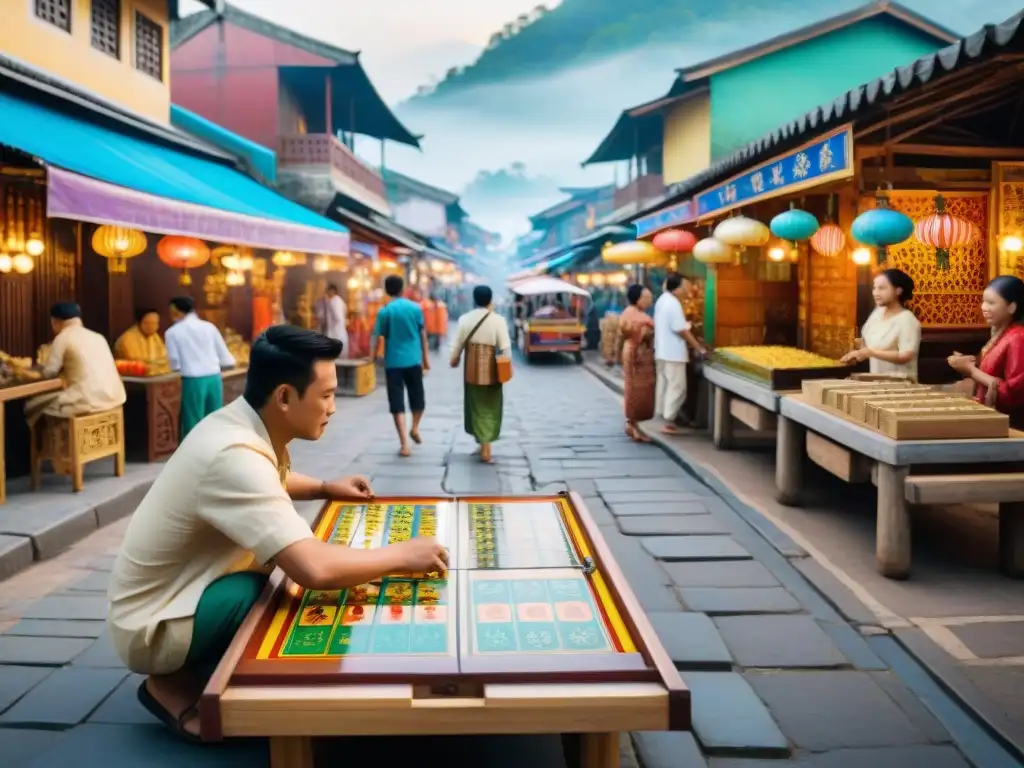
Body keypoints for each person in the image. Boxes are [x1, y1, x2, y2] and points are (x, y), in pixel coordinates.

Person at [108, 326, 448, 742]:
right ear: (285, 397)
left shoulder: (237, 424)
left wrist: (324, 487)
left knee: (276, 580)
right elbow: (315, 569)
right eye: (325, 395)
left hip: (170, 593)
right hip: (152, 623)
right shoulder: (232, 454)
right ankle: (170, 683)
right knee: (265, 591)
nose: (333, 407)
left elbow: (269, 478)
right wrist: (403, 555)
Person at [25, 302, 126, 428]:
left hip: (86, 401)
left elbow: (48, 373)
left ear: (55, 322)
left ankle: (52, 446)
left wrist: (28, 372)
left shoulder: (63, 338)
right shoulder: (99, 337)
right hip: (114, 398)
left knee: (32, 404)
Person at [948, 275, 1024, 427]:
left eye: (991, 303)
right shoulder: (1000, 334)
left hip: (1010, 425)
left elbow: (1014, 395)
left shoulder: (1018, 338)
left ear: (1012, 307)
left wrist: (971, 370)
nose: (983, 307)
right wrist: (970, 364)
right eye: (983, 301)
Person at [450, 285, 512, 463]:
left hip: (472, 368)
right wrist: (506, 367)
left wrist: (454, 359)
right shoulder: (498, 320)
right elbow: (505, 348)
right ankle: (486, 446)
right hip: (493, 369)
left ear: (474, 300)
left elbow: (458, 345)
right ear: (490, 301)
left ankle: (484, 445)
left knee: (475, 406)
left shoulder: (465, 319)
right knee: (491, 407)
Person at [370, 275, 430, 457]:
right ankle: (415, 427)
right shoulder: (415, 308)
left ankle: (404, 443)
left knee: (397, 402)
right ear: (403, 289)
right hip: (413, 360)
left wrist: (372, 357)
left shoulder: (385, 312)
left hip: (393, 362)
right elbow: (422, 335)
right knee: (417, 398)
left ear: (387, 291)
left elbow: (376, 337)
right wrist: (426, 358)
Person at [165, 296, 236, 438]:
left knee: (193, 418)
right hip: (214, 377)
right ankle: (215, 449)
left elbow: (175, 362)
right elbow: (224, 354)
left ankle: (194, 453)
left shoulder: (172, 332)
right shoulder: (209, 327)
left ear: (178, 311)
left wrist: (175, 368)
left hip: (193, 379)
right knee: (215, 416)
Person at [841, 269, 921, 379]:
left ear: (898, 291)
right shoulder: (877, 313)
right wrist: (857, 353)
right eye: (874, 288)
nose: (876, 293)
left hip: (901, 386)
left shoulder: (907, 319)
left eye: (882, 288)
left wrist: (870, 353)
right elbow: (867, 342)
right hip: (878, 382)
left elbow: (906, 356)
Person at [653, 273, 707, 434]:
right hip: (673, 352)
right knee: (677, 387)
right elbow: (681, 329)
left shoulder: (662, 300)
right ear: (676, 288)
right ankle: (669, 421)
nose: (687, 291)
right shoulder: (673, 304)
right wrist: (699, 347)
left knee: (665, 385)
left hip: (662, 351)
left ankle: (664, 416)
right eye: (685, 287)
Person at [619, 284, 656, 442]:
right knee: (636, 389)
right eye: (646, 298)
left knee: (637, 388)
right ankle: (631, 424)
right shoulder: (638, 316)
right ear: (637, 299)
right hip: (637, 354)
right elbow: (644, 333)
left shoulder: (631, 313)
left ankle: (633, 424)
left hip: (634, 352)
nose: (649, 301)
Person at [317, 283, 349, 359]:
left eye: (327, 291)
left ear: (332, 291)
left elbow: (338, 317)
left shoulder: (333, 301)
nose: (327, 293)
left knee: (335, 356)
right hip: (340, 331)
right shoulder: (340, 300)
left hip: (335, 332)